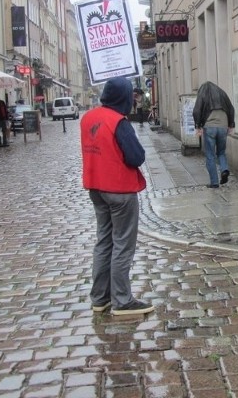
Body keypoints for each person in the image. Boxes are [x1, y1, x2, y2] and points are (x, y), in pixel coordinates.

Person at [80, 77, 154, 316]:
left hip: (96, 187)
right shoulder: (118, 121)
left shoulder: (88, 118)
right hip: (119, 189)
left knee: (104, 241)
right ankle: (122, 300)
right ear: (123, 98)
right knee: (122, 244)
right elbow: (136, 156)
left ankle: (100, 298)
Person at [193, 81, 235, 188]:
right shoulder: (222, 93)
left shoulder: (202, 92)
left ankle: (214, 182)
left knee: (210, 155)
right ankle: (224, 169)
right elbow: (231, 108)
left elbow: (197, 110)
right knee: (221, 152)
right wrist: (231, 124)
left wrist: (198, 126)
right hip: (223, 126)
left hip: (210, 127)